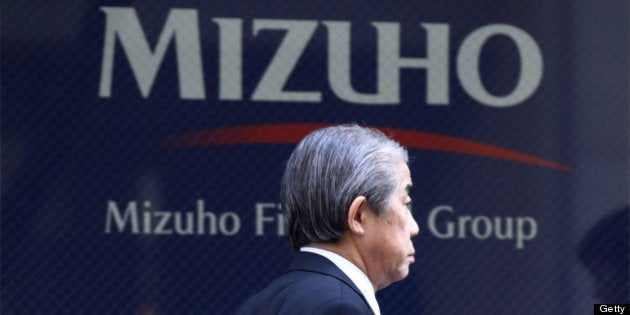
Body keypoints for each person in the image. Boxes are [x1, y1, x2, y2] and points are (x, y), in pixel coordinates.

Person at [237, 124, 420, 315]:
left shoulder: (258, 304)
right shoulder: (339, 308)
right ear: (358, 216)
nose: (414, 228)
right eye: (405, 205)